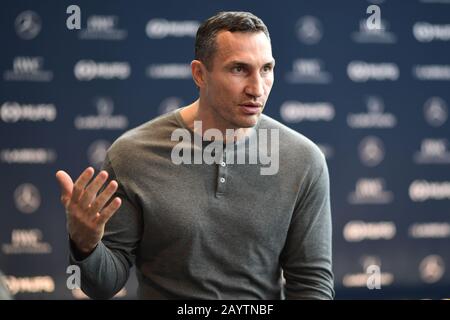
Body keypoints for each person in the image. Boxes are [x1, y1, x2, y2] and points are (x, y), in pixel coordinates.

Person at [56, 11, 334, 299]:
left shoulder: (303, 160)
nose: (257, 88)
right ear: (200, 74)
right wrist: (84, 244)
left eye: (266, 69)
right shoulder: (132, 155)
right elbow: (103, 285)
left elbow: (312, 285)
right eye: (239, 69)